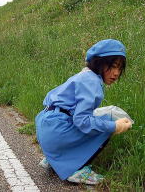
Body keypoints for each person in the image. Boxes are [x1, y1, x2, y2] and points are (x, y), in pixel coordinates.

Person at [35, 39, 132, 185]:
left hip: (46, 129)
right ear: (99, 62)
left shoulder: (84, 75)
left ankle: (55, 158)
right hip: (56, 133)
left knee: (96, 117)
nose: (116, 73)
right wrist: (115, 126)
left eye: (119, 68)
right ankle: (77, 169)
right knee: (107, 122)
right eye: (112, 66)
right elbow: (82, 121)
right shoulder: (92, 82)